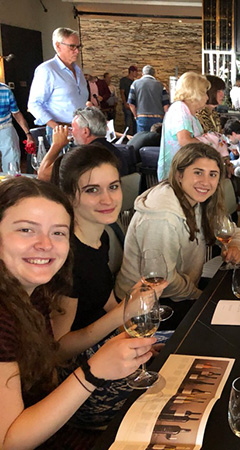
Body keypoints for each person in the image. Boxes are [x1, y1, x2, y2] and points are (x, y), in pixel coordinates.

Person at [0, 176, 155, 448]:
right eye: (26, 230)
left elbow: (45, 377)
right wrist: (93, 371)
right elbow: (9, 442)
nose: (45, 244)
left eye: (58, 232)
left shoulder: (33, 293)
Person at [115, 143, 240, 302]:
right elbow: (164, 280)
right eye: (198, 173)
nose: (206, 182)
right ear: (179, 175)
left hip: (181, 291)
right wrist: (200, 297)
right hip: (143, 305)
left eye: (212, 174)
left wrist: (237, 248)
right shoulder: (162, 217)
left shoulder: (201, 201)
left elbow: (233, 232)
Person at [28, 27, 88, 141]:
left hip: (81, 130)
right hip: (60, 131)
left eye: (78, 46)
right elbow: (33, 104)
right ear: (58, 46)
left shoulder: (78, 71)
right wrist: (56, 127)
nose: (77, 51)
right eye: (72, 46)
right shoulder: (47, 70)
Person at [37, 106, 127, 180]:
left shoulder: (82, 156)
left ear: (85, 132)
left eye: (73, 128)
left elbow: (42, 175)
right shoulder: (115, 151)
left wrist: (56, 145)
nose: (71, 132)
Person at [158, 71, 210, 181]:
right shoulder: (180, 109)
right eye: (205, 93)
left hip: (185, 170)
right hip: (177, 174)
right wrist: (210, 143)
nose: (207, 97)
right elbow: (184, 140)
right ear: (195, 93)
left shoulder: (188, 112)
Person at [0, 82, 34, 172]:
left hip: (5, 127)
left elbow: (16, 113)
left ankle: (12, 181)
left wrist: (28, 134)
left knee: (12, 163)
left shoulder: (5, 90)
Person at [128, 65, 170, 132]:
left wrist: (136, 116)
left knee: (142, 140)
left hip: (142, 117)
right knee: (156, 140)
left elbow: (131, 103)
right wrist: (165, 117)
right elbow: (166, 104)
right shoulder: (160, 85)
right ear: (154, 74)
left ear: (142, 74)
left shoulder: (135, 84)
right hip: (158, 117)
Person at [119, 65, 138, 134]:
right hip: (127, 104)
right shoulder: (124, 81)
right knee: (128, 121)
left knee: (135, 122)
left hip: (134, 105)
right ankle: (126, 136)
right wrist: (125, 103)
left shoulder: (135, 82)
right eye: (136, 71)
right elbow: (122, 92)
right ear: (131, 72)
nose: (137, 73)